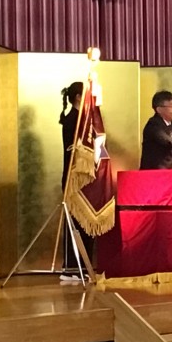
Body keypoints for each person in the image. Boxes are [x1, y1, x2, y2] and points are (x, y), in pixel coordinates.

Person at [59, 81, 95, 281]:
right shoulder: (73, 119)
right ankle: (71, 267)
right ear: (79, 97)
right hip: (74, 178)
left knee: (85, 222)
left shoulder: (84, 120)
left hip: (84, 179)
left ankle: (84, 265)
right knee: (74, 223)